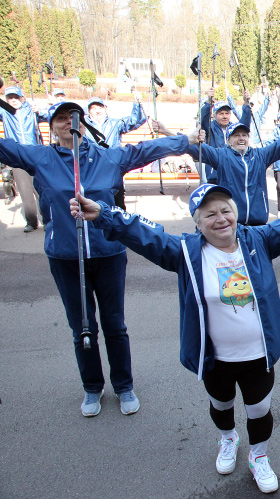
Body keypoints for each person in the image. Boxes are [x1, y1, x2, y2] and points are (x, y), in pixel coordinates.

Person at [70, 178, 280, 493]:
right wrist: (103, 214)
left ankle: (259, 456)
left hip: (257, 355)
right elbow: (144, 234)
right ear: (197, 223)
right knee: (221, 407)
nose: (220, 218)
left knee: (260, 411)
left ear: (235, 214)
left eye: (226, 210)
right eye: (209, 214)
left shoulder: (259, 240)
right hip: (215, 358)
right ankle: (228, 440)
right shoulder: (185, 251)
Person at [0, 101, 200, 417]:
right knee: (82, 327)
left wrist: (184, 140)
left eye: (74, 117)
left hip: (109, 254)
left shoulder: (108, 157)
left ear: (84, 124)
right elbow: (5, 149)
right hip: (65, 257)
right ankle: (92, 387)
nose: (69, 122)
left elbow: (148, 150)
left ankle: (123, 385)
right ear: (51, 126)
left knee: (114, 325)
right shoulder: (41, 157)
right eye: (61, 118)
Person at [186, 121, 280, 226]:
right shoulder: (221, 156)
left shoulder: (260, 155)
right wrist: (186, 138)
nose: (241, 139)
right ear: (229, 141)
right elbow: (192, 148)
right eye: (236, 135)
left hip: (258, 221)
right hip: (231, 222)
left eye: (244, 135)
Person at [0, 86, 42, 232]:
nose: (13, 100)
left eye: (16, 97)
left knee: (41, 188)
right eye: (10, 97)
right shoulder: (4, 112)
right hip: (17, 154)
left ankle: (48, 220)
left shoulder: (31, 110)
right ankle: (31, 222)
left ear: (22, 98)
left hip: (35, 154)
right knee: (24, 190)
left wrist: (41, 109)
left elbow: (51, 115)